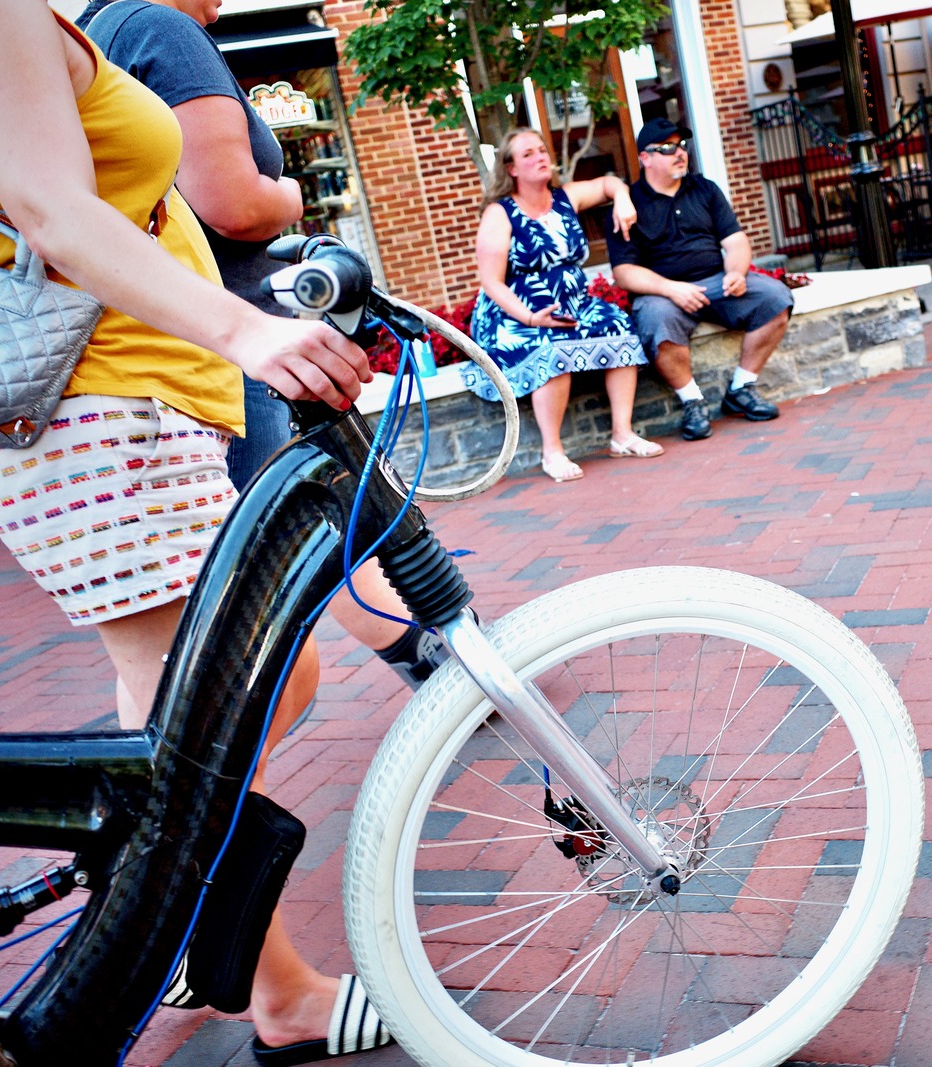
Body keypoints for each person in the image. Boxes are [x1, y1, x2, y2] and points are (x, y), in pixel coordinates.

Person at [0, 3, 384, 1063]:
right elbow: (49, 210)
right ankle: (231, 955)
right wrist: (248, 327)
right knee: (204, 720)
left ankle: (167, 897)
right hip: (97, 416)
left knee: (228, 699)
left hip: (139, 410)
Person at [76, 0, 450, 690]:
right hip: (227, 340)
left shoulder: (93, 33)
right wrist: (292, 195)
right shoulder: (163, 31)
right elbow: (234, 203)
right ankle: (439, 659)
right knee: (257, 631)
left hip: (161, 351)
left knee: (180, 650)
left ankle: (434, 657)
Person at [466, 127, 658, 482]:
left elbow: (609, 183)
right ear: (511, 168)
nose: (540, 157)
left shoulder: (565, 198)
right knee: (550, 344)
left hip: (573, 303)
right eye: (528, 154)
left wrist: (623, 198)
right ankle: (552, 451)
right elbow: (491, 282)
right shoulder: (500, 213)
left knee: (618, 323)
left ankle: (622, 435)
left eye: (542, 150)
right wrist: (529, 317)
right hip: (514, 312)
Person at [606, 118, 793, 442]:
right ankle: (692, 401)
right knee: (655, 318)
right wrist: (671, 289)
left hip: (718, 280)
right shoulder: (628, 205)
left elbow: (735, 241)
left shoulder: (704, 188)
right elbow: (624, 272)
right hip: (663, 293)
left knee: (775, 297)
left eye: (681, 145)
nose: (679, 153)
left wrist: (735, 271)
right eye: (666, 148)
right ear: (645, 159)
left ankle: (742, 387)